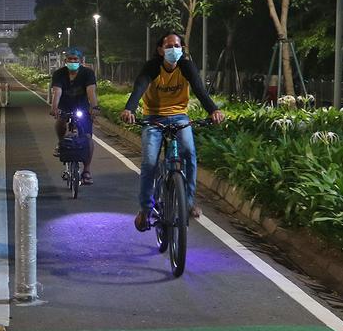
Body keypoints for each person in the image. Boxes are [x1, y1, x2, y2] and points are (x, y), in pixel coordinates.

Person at [120, 32, 225, 232]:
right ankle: (144, 209)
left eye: (177, 46)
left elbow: (200, 90)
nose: (174, 50)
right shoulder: (152, 67)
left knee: (189, 154)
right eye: (169, 46)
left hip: (180, 117)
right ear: (160, 49)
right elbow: (139, 87)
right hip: (153, 118)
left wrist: (214, 110)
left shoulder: (186, 66)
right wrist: (129, 109)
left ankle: (189, 202)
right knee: (150, 162)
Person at [49, 47, 99, 184]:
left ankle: (87, 170)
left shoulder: (88, 73)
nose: (72, 61)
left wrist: (94, 107)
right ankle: (60, 143)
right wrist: (54, 108)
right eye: (70, 59)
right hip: (64, 105)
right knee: (60, 121)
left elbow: (91, 92)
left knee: (88, 138)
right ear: (65, 61)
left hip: (82, 107)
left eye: (75, 59)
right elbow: (57, 92)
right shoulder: (59, 74)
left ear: (80, 61)